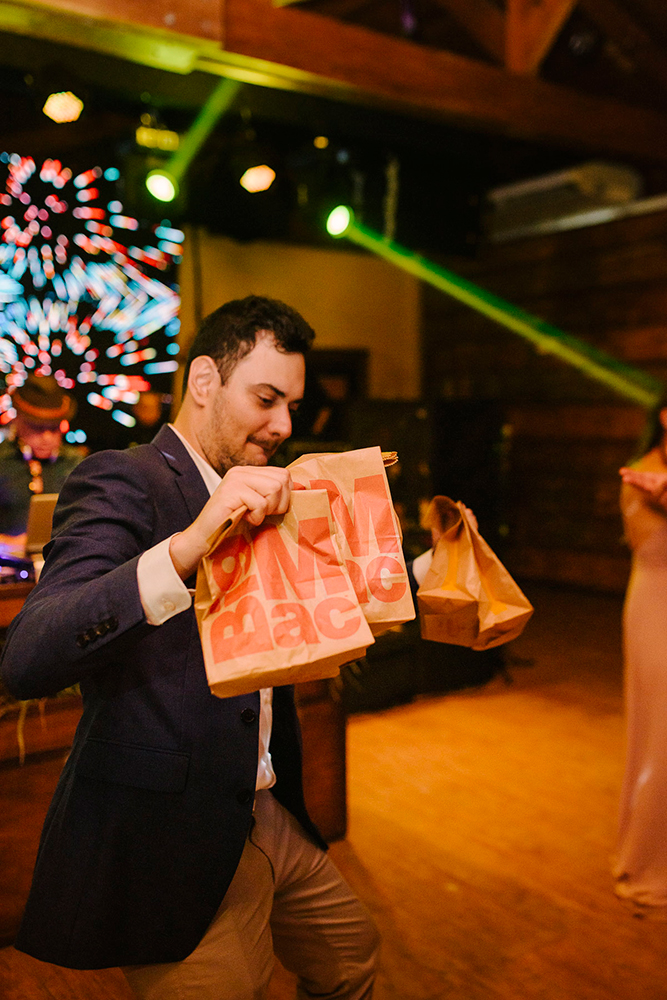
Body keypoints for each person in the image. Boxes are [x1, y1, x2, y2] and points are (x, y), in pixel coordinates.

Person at [0, 295, 380, 999]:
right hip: (168, 827)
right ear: (203, 381)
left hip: (266, 803)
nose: (283, 426)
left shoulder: (270, 492)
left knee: (352, 955)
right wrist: (185, 548)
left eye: (291, 405)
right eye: (266, 398)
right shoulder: (122, 478)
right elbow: (27, 657)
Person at [615, 401, 667, 918]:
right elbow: (648, 548)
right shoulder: (642, 475)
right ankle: (650, 862)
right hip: (657, 608)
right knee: (660, 737)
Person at [0, 374, 81, 552]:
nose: (46, 437)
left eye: (54, 428)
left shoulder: (75, 463)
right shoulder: (2, 461)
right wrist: (7, 543)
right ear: (17, 419)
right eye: (36, 427)